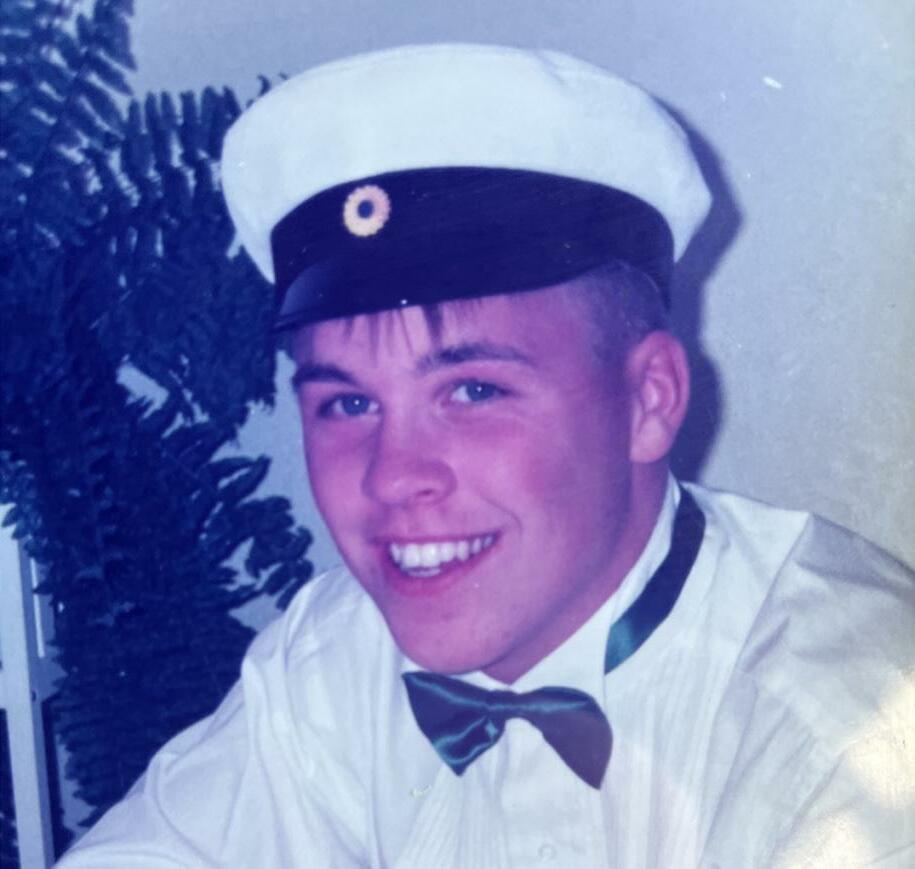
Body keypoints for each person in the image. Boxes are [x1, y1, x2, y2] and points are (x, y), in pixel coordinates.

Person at [58, 44, 914, 868]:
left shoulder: (860, 736)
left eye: (471, 391)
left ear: (648, 399)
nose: (393, 475)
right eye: (348, 403)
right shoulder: (338, 654)